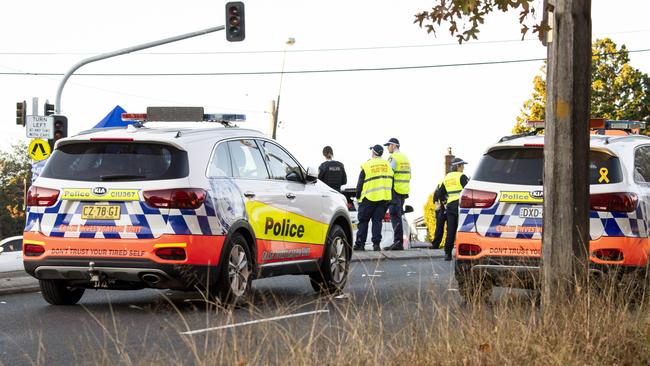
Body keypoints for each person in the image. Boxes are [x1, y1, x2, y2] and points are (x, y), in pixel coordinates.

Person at [354, 145, 394, 252]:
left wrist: (358, 196)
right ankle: (376, 245)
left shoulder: (367, 165)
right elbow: (392, 180)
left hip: (368, 198)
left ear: (373, 153)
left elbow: (360, 183)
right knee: (377, 221)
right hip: (383, 198)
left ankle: (360, 244)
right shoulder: (388, 165)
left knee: (363, 221)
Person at [438, 157, 469, 261]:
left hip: (450, 206)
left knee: (450, 230)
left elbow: (440, 194)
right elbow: (468, 191)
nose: (463, 168)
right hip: (461, 206)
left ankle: (447, 253)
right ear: (458, 166)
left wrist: (446, 201)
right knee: (464, 229)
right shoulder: (462, 176)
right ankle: (463, 253)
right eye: (462, 165)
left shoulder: (446, 178)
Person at [382, 137, 411, 250]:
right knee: (397, 215)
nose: (387, 148)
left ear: (394, 145)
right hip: (403, 191)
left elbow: (389, 174)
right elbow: (409, 175)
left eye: (388, 145)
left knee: (394, 215)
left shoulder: (393, 157)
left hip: (394, 190)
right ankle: (398, 242)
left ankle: (398, 242)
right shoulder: (405, 158)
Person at [430, 181, 447, 249]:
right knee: (439, 228)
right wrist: (437, 204)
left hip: (447, 208)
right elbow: (436, 195)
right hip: (442, 209)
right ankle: (435, 245)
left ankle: (446, 245)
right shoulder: (441, 183)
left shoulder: (442, 183)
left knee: (447, 228)